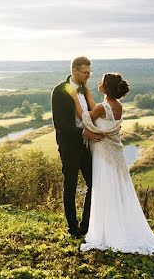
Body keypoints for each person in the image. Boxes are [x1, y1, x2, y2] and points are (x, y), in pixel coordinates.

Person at [70, 72, 154, 256]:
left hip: (103, 153)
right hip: (115, 153)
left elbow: (86, 118)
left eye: (102, 81)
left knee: (105, 188)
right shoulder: (117, 105)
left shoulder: (103, 107)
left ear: (106, 87)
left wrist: (75, 97)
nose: (99, 83)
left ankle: (108, 231)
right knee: (116, 188)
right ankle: (117, 225)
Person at [51, 56, 104, 238]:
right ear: (74, 71)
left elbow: (90, 114)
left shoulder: (84, 90)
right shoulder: (60, 91)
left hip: (86, 145)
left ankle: (86, 226)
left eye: (90, 72)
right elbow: (60, 125)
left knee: (94, 184)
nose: (88, 75)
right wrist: (83, 133)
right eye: (85, 72)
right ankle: (73, 229)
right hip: (69, 145)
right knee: (70, 187)